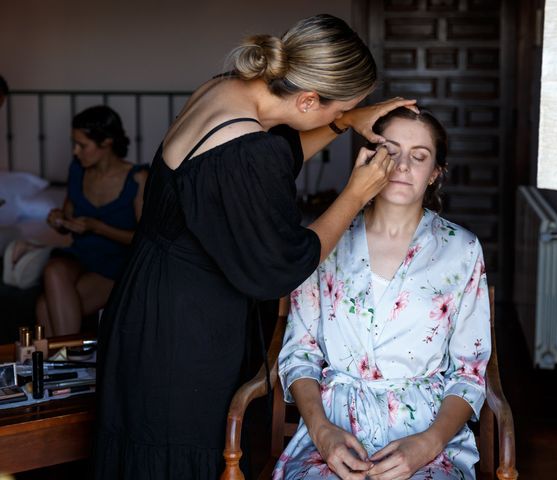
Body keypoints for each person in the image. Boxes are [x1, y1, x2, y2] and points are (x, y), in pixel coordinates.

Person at [93, 14, 416, 480]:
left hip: (145, 301)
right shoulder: (247, 149)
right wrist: (355, 194)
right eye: (334, 107)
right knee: (176, 453)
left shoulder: (226, 90)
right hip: (183, 329)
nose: (336, 116)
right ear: (307, 98)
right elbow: (283, 265)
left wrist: (343, 119)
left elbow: (261, 165)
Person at [274, 107, 491, 480]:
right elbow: (299, 353)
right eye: (390, 151)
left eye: (419, 156)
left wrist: (428, 443)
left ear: (436, 172)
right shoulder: (326, 239)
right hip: (333, 427)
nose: (403, 165)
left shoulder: (462, 250)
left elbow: (469, 373)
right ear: (369, 157)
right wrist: (323, 433)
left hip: (425, 431)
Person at [34, 105, 147, 336]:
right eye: (74, 144)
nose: (76, 151)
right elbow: (68, 217)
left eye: (82, 145)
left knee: (44, 307)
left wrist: (97, 227)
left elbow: (146, 238)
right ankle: (68, 361)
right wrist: (58, 220)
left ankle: (62, 364)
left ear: (106, 142)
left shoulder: (138, 178)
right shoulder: (78, 169)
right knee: (54, 269)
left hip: (117, 263)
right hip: (81, 255)